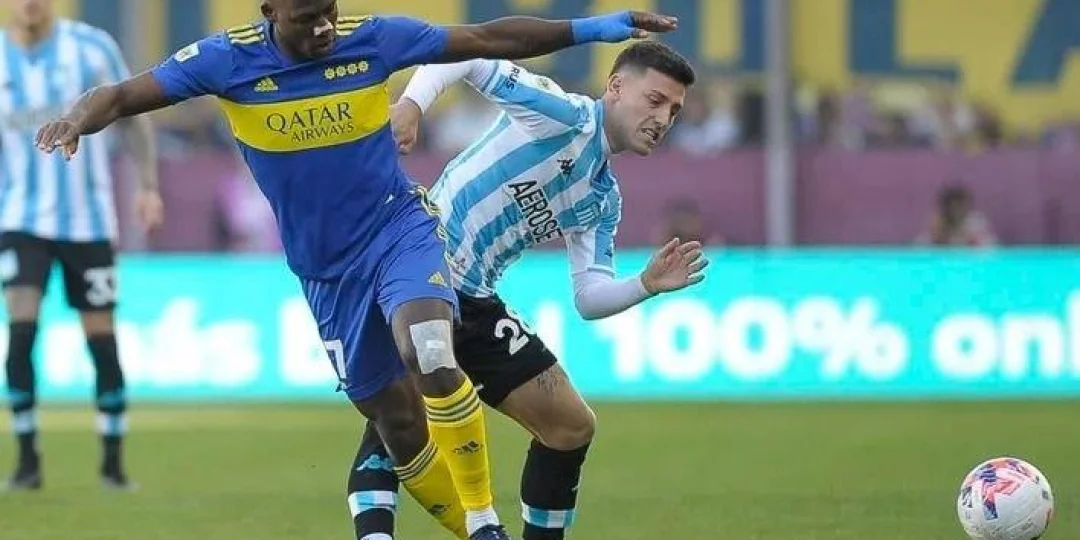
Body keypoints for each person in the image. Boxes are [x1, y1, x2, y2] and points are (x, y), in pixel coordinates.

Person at [34, 2, 676, 539]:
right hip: (326, 271)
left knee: (430, 348)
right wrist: (75, 120)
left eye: (329, 12)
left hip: (400, 230)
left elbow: (484, 40)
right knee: (397, 424)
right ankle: (464, 530)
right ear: (270, 12)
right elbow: (122, 94)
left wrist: (593, 28)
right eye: (308, 17)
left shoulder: (369, 40)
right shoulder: (226, 60)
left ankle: (484, 522)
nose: (324, 27)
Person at [351, 41, 706, 540]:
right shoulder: (561, 114)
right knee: (400, 419)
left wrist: (644, 285)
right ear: (615, 87)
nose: (663, 118)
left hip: (474, 299)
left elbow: (589, 297)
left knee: (570, 426)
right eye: (655, 100)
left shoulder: (603, 198)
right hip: (417, 271)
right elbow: (468, 57)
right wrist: (411, 104)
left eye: (673, 110)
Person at [1, 0, 163, 491]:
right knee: (21, 331)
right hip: (19, 218)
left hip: (88, 221)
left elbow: (132, 115)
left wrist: (147, 185)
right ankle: (27, 463)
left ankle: (112, 466)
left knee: (101, 341)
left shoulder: (92, 47)